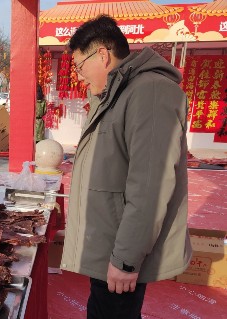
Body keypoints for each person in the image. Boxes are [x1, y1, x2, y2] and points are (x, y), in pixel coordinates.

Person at [60, 15, 192, 319]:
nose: (78, 76)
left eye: (79, 66)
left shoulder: (151, 92)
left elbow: (151, 186)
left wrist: (126, 261)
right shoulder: (115, 94)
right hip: (109, 247)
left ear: (103, 55)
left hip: (120, 256)